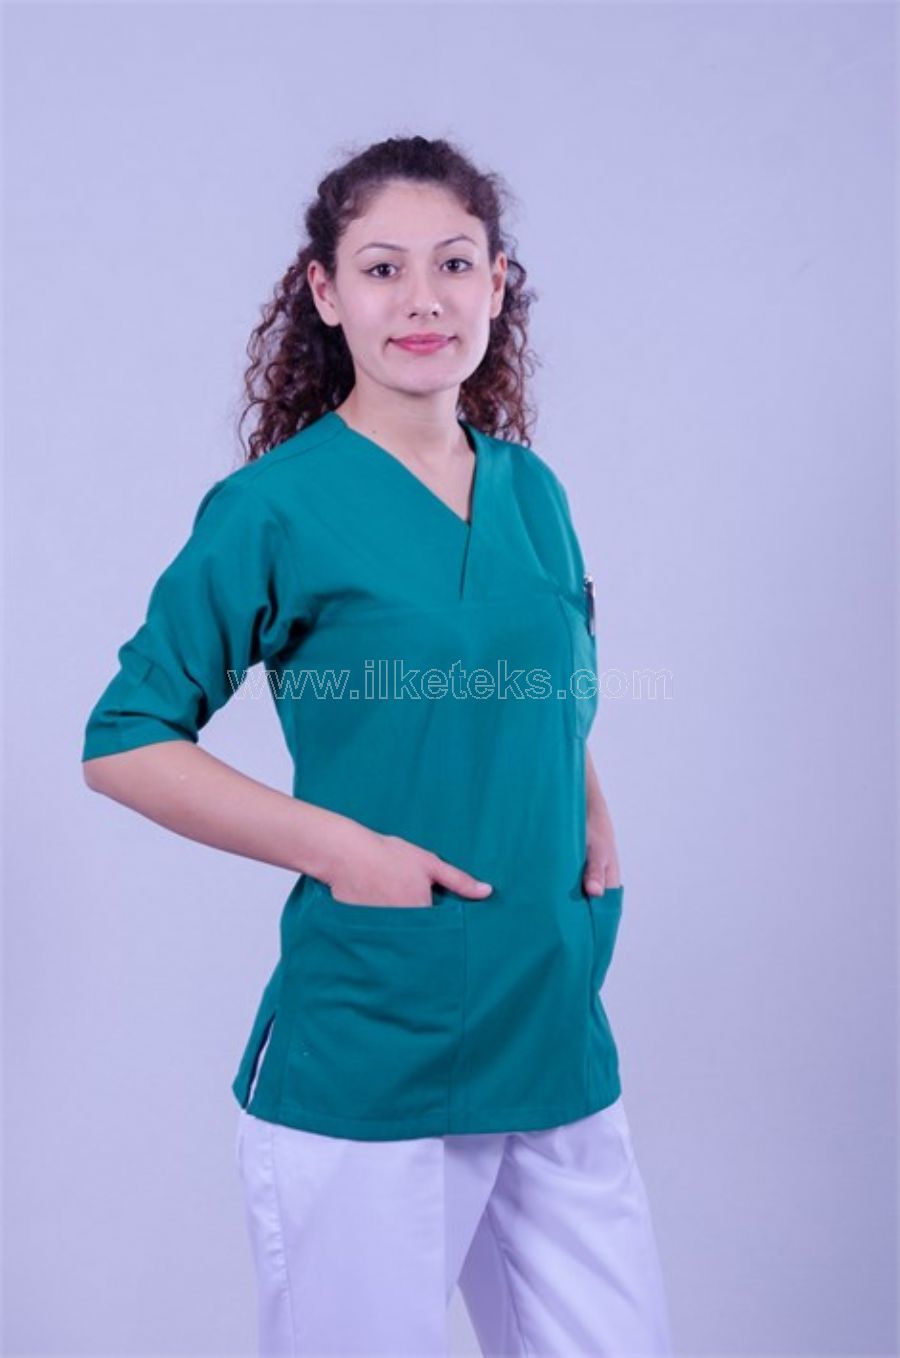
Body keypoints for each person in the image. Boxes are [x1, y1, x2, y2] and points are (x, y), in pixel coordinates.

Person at [81, 134, 674, 1357]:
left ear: (497, 283)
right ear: (325, 291)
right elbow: (126, 740)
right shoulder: (275, 508)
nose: (423, 299)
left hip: (550, 1017)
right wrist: (346, 852)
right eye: (383, 267)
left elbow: (538, 683)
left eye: (454, 263)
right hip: (378, 1039)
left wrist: (589, 801)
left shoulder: (533, 492)